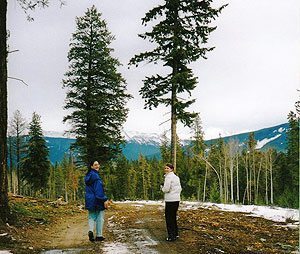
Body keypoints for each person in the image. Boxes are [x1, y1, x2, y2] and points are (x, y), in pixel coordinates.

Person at [85, 160, 109, 242]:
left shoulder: (88, 176)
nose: (97, 166)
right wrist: (105, 199)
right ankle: (99, 235)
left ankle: (91, 230)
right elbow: (99, 191)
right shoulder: (96, 177)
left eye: (98, 164)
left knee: (91, 216)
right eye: (95, 165)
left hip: (89, 199)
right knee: (100, 217)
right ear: (91, 166)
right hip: (97, 199)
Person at [161, 163, 182, 242]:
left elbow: (166, 189)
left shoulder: (168, 178)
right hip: (176, 200)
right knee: (173, 217)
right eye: (165, 168)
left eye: (168, 168)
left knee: (169, 218)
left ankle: (171, 236)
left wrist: (162, 188)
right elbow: (180, 188)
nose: (166, 169)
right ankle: (175, 234)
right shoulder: (176, 177)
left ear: (171, 169)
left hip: (170, 200)